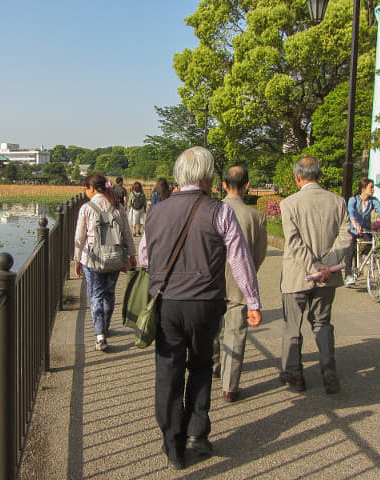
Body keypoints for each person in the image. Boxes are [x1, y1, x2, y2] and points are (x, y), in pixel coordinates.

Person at [138, 147, 262, 470]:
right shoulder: (219, 211)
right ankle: (197, 434)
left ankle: (173, 445)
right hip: (206, 303)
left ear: (181, 176)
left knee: (169, 371)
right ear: (207, 178)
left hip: (166, 302)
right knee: (202, 364)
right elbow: (239, 259)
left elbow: (144, 258)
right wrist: (252, 301)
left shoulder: (156, 212)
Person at [279, 157, 351, 394]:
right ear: (319, 175)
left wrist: (313, 267)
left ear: (297, 177)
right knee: (322, 322)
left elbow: (293, 242)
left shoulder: (290, 203)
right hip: (328, 275)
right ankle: (329, 368)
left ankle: (294, 374)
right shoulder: (338, 202)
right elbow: (345, 237)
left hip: (298, 274)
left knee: (293, 325)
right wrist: (327, 266)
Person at [212, 165, 267, 402]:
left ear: (224, 185)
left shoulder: (212, 211)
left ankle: (214, 364)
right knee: (235, 334)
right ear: (247, 186)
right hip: (239, 283)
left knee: (211, 329)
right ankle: (230, 386)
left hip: (212, 281)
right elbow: (260, 254)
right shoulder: (256, 216)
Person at [74, 173, 136, 351]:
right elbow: (127, 234)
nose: (86, 191)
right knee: (109, 294)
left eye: (87, 188)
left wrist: (77, 260)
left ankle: (100, 336)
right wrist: (132, 255)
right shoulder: (117, 207)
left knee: (95, 296)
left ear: (92, 188)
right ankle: (105, 327)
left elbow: (79, 237)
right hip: (115, 259)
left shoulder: (87, 208)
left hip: (92, 260)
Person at [344, 178, 380, 286]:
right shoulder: (353, 200)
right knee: (350, 249)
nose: (373, 190)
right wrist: (356, 225)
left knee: (370, 243)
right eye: (371, 187)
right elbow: (352, 213)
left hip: (366, 228)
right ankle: (348, 275)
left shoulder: (374, 200)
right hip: (353, 228)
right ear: (363, 188)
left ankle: (363, 256)